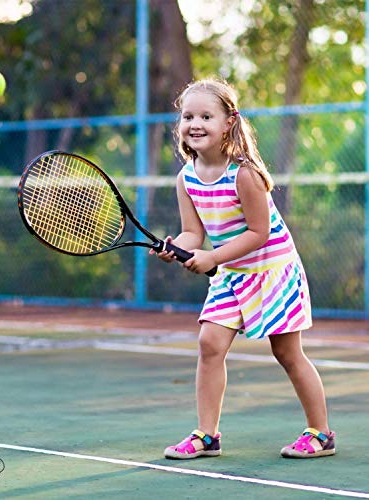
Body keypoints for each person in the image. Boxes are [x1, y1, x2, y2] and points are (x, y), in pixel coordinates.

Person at [151, 78, 335, 459]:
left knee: (287, 353)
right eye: (188, 116)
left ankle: (321, 433)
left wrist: (212, 258)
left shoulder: (245, 175)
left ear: (228, 123)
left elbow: (258, 233)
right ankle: (207, 435)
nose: (195, 123)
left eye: (206, 115)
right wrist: (176, 247)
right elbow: (192, 234)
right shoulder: (186, 179)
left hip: (274, 271)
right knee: (209, 343)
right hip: (232, 276)